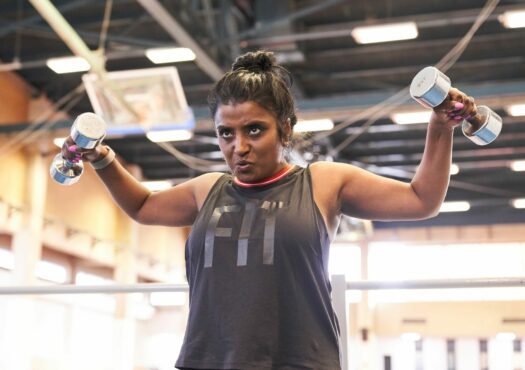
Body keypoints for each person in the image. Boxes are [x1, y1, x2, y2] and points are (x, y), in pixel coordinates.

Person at [63, 50, 477, 370]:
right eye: (226, 133)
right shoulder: (207, 188)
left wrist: (440, 126)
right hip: (207, 360)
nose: (238, 147)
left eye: (254, 130)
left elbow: (422, 200)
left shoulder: (323, 182)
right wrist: (101, 158)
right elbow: (142, 205)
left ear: (286, 128)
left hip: (299, 361)